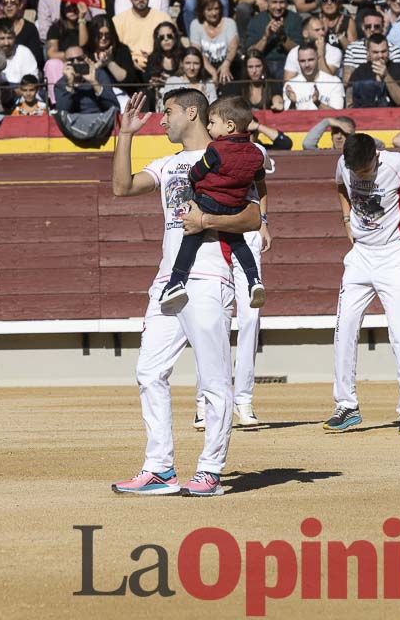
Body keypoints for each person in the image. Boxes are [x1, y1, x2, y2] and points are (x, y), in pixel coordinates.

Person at [110, 89, 262, 497]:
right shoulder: (167, 164)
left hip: (210, 276)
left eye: (169, 112)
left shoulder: (226, 154)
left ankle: (211, 470)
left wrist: (207, 219)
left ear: (191, 112)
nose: (162, 120)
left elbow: (253, 215)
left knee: (213, 379)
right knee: (149, 371)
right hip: (168, 281)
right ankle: (160, 468)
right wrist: (125, 136)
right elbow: (122, 187)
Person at [326, 131, 400, 435]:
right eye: (356, 171)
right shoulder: (345, 163)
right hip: (360, 255)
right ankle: (346, 406)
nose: (359, 175)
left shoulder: (396, 163)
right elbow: (340, 185)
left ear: (375, 157)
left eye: (364, 170)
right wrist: (344, 218)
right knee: (344, 329)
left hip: (394, 255)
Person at [160, 96, 265, 313]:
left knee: (190, 237)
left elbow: (197, 173)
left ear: (229, 126)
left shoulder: (216, 149)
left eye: (212, 123)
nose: (209, 127)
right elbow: (258, 176)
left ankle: (176, 281)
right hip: (234, 206)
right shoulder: (255, 152)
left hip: (208, 202)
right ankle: (254, 279)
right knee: (239, 243)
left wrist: (194, 180)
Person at [347, 35, 400, 108]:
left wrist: (386, 76)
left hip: (395, 116)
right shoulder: (360, 72)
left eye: (383, 51)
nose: (380, 55)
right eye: (375, 52)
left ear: (388, 51)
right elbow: (350, 103)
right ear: (368, 53)